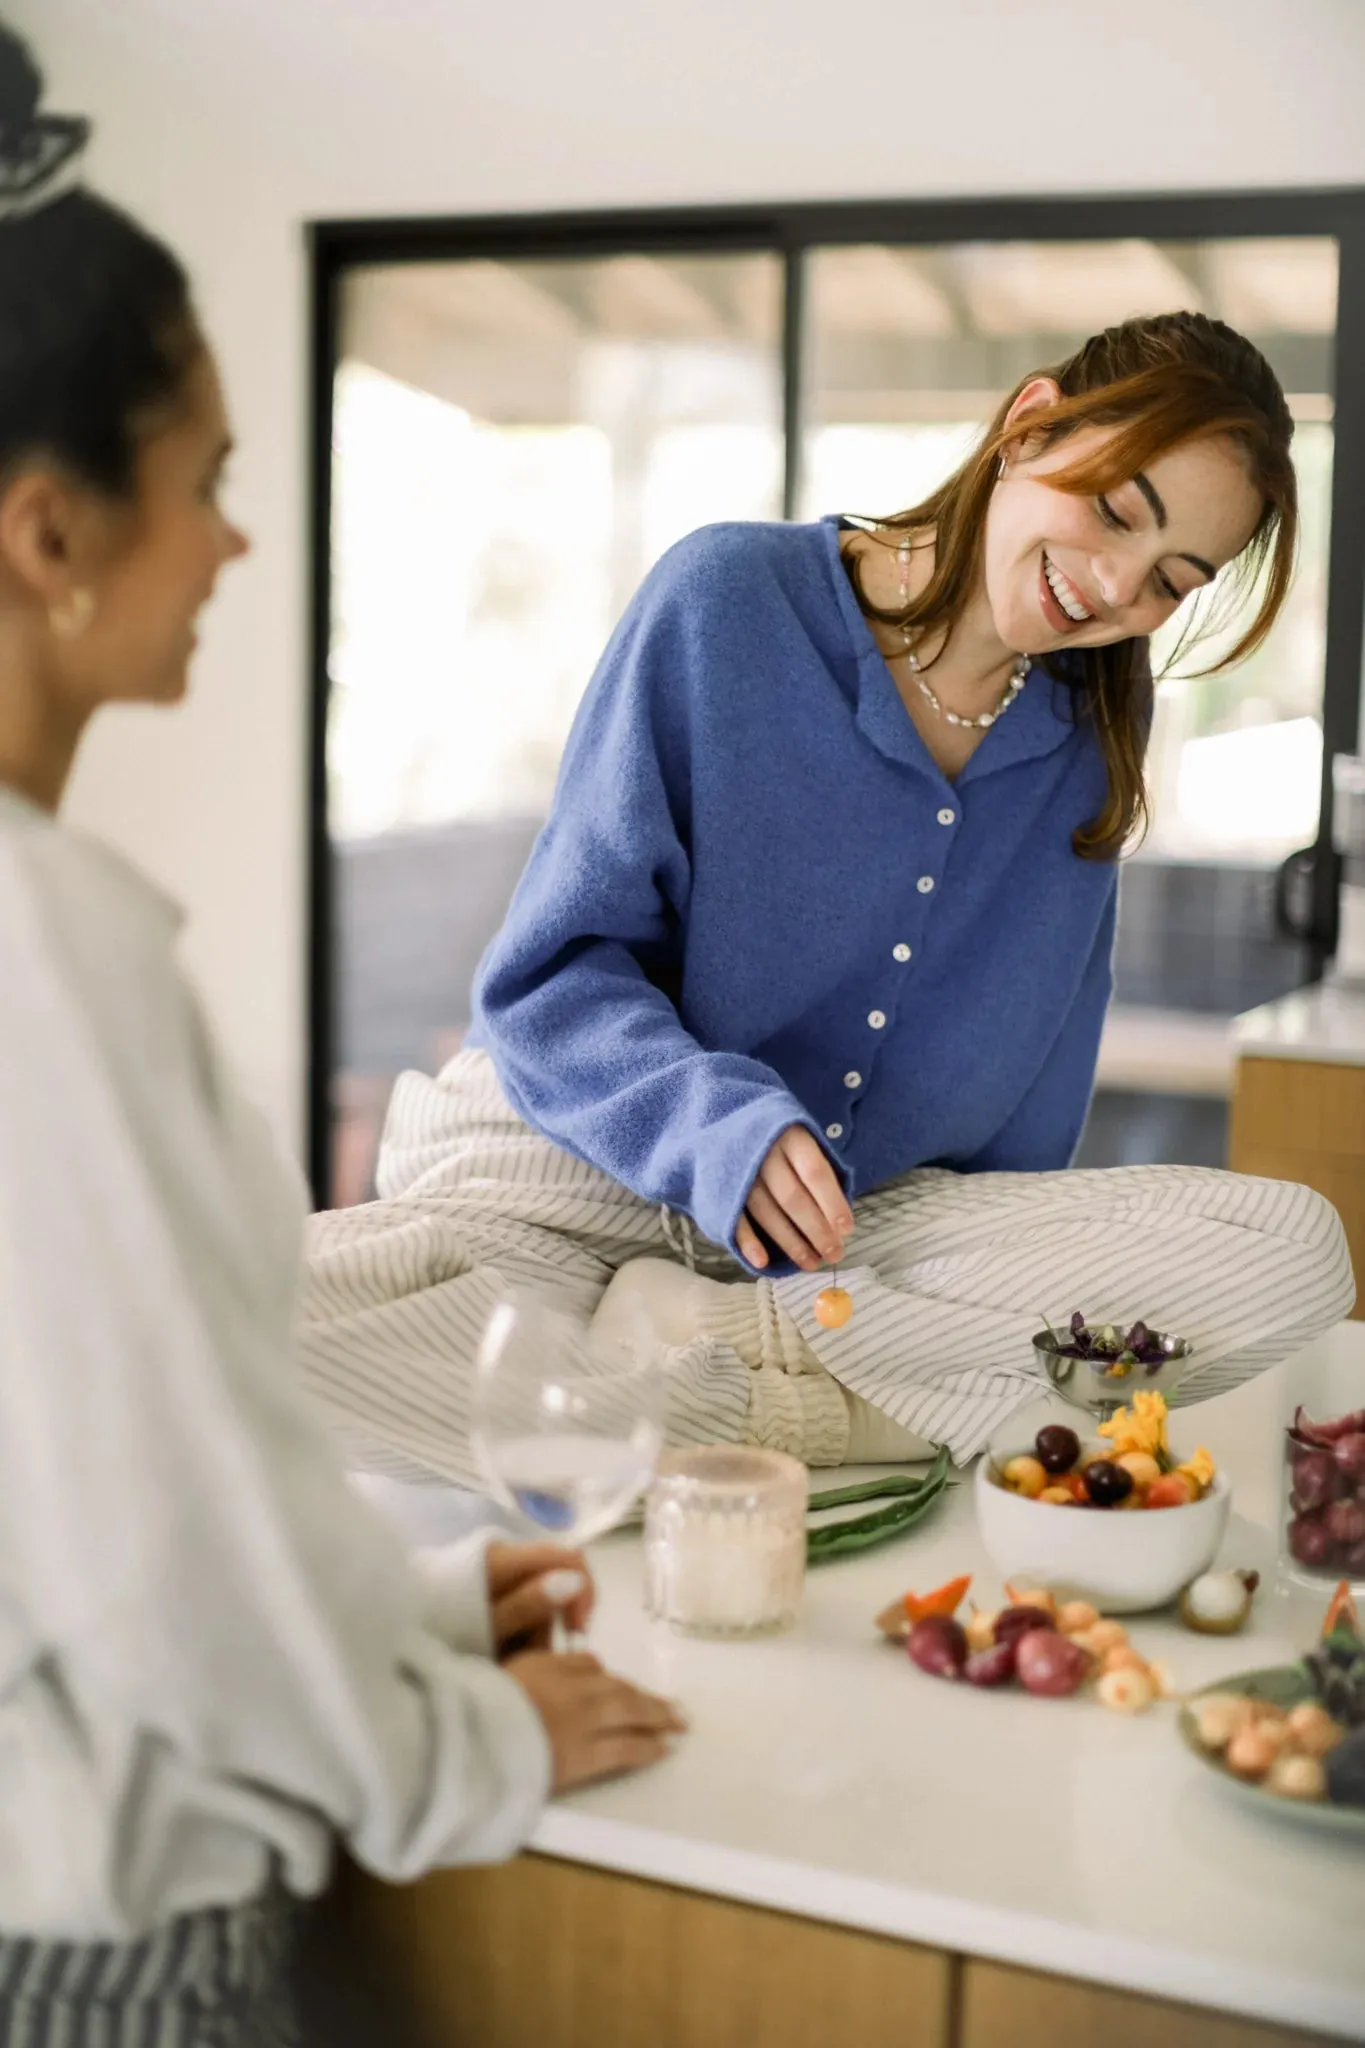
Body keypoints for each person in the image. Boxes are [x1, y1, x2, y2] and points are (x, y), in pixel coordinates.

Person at [0, 29, 683, 2046]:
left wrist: (402, 1612)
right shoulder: (47, 967)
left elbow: (98, 1497)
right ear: (51, 533)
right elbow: (153, 1563)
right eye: (206, 484)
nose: (230, 544)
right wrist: (470, 1748)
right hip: (94, 1948)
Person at [301, 316, 1354, 1490]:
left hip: (852, 1244)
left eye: (1172, 581)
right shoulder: (729, 602)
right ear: (1028, 426)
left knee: (1297, 1253)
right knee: (234, 1327)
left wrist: (987, 1289)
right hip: (589, 1164)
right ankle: (821, 1416)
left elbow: (1019, 1153)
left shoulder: (1086, 754)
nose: (1113, 586)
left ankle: (690, 1377)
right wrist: (723, 1133)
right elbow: (552, 978)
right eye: (1116, 511)